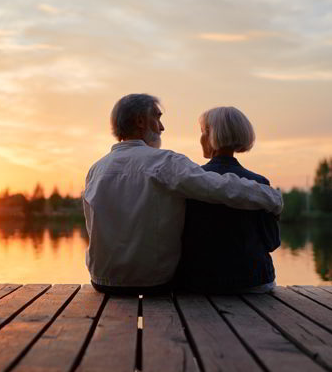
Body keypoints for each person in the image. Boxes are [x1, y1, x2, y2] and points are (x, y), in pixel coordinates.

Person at [83, 94, 283, 295]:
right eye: (157, 117)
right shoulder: (164, 162)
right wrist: (271, 197)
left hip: (101, 281)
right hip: (153, 283)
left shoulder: (96, 169)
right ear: (140, 121)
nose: (162, 127)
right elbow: (220, 187)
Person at [176, 106, 280, 293]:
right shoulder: (259, 183)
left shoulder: (190, 181)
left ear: (209, 136)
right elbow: (272, 242)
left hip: (198, 282)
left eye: (202, 132)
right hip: (253, 281)